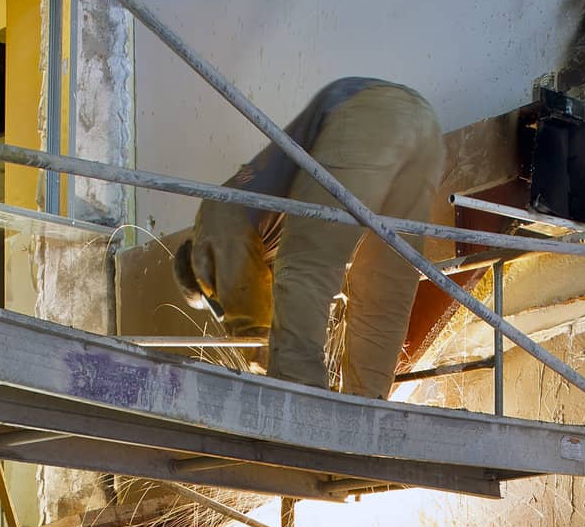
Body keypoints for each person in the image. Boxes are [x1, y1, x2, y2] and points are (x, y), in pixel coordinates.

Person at [173, 78, 443, 400]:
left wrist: (258, 344)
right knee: (384, 287)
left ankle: (299, 400)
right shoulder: (261, 225)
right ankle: (367, 407)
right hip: (425, 129)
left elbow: (239, 282)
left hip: (361, 113)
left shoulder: (212, 221)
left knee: (304, 264)